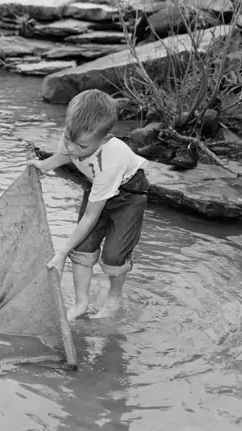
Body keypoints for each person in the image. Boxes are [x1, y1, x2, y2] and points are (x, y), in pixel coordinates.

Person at [27, 89, 149, 320]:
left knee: (114, 254)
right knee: (83, 245)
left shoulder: (110, 162)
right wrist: (44, 165)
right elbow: (65, 155)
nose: (73, 148)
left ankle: (114, 295)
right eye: (69, 138)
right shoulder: (75, 137)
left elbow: (91, 217)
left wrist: (61, 253)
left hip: (129, 195)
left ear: (104, 139)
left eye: (81, 146)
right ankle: (81, 303)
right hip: (97, 187)